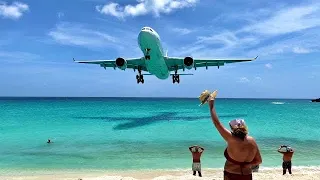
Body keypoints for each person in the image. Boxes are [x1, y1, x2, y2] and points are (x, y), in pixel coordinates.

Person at [205, 90, 262, 180]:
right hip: (247, 176)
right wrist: (247, 164)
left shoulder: (231, 138)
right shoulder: (252, 140)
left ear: (232, 128)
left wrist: (211, 105)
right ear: (245, 127)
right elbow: (259, 160)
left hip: (231, 174)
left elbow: (217, 123)